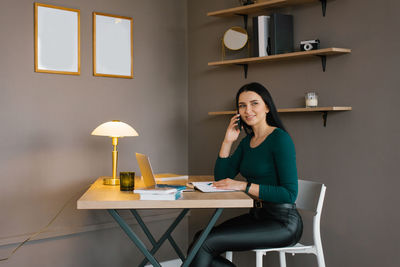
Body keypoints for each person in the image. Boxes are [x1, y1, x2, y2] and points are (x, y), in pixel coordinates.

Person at [188, 82, 303, 267]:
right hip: (258, 216)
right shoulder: (247, 142)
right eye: (242, 105)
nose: (247, 110)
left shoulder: (280, 139)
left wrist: (243, 186)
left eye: (254, 103)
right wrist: (227, 141)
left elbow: (289, 194)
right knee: (201, 238)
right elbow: (220, 178)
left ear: (267, 107)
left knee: (205, 243)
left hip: (283, 223)